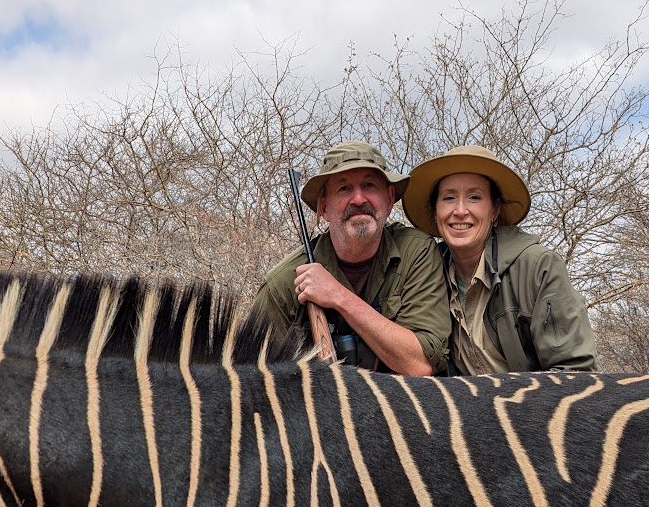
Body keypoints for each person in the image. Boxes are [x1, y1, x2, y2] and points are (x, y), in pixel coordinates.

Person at [253, 141, 449, 375]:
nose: (358, 199)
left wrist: (338, 297)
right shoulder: (283, 283)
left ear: (389, 199)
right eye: (344, 189)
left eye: (369, 185)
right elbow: (252, 380)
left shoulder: (416, 252)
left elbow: (420, 364)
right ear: (324, 208)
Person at [402, 145, 598, 374]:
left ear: (495, 210)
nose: (460, 210)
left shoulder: (538, 267)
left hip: (538, 407)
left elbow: (577, 371)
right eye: (448, 198)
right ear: (435, 212)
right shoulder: (425, 272)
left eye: (474, 197)